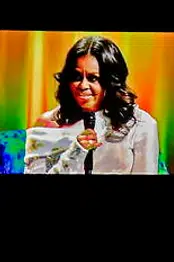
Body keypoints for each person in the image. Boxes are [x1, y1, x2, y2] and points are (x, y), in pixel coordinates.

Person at [25, 35, 161, 175]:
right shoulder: (47, 123)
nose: (83, 85)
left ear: (111, 81)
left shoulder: (141, 124)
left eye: (93, 78)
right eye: (77, 77)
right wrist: (76, 152)